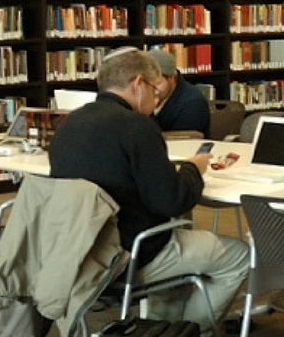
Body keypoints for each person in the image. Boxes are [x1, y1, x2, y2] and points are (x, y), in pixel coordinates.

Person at [49, 48, 249, 336]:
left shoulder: (69, 124)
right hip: (131, 253)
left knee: (178, 250)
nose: (157, 100)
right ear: (138, 83)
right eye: (155, 91)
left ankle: (159, 327)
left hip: (77, 252)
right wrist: (193, 169)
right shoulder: (137, 127)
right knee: (239, 255)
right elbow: (172, 201)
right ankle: (191, 330)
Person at [147, 48, 212, 138]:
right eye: (147, 83)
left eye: (157, 83)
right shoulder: (149, 93)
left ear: (171, 78)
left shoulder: (193, 103)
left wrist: (148, 112)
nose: (152, 89)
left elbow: (182, 140)